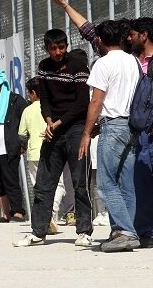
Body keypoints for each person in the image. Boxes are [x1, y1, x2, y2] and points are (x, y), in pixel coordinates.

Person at [14, 29, 94, 247]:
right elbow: (45, 99)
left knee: (79, 182)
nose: (58, 52)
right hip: (54, 130)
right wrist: (49, 120)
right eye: (53, 48)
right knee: (43, 183)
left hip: (75, 128)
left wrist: (59, 122)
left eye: (61, 47)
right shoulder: (44, 67)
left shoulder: (77, 64)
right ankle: (38, 232)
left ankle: (84, 230)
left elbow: (81, 103)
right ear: (47, 48)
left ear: (66, 46)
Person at [78, 20, 141, 252]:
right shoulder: (133, 61)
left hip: (112, 125)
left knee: (105, 183)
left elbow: (97, 100)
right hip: (131, 125)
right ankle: (121, 231)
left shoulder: (102, 64)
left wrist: (86, 132)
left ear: (101, 41)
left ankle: (125, 231)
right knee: (127, 183)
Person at [18, 77, 63, 235]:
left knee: (39, 187)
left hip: (33, 153)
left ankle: (44, 216)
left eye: (29, 93)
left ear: (34, 93)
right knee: (59, 185)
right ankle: (51, 213)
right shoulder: (53, 107)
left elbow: (22, 135)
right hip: (53, 152)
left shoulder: (27, 110)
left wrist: (22, 147)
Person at [0, 71, 28, 223]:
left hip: (8, 149)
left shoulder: (14, 100)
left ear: (4, 85)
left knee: (11, 181)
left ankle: (18, 212)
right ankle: (6, 214)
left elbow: (26, 117)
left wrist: (23, 142)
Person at [128, 17, 153, 247]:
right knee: (141, 180)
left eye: (133, 34)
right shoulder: (131, 62)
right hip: (140, 131)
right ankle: (145, 231)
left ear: (144, 35)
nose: (130, 38)